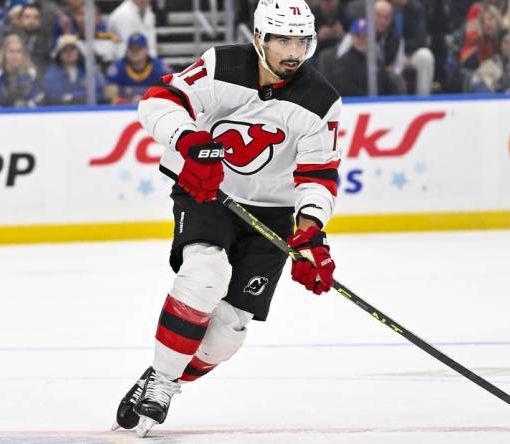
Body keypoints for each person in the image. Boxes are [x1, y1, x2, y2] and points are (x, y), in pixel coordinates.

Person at [111, 0, 341, 437]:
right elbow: (158, 102)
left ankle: (164, 377)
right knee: (205, 275)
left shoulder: (322, 100)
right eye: (283, 40)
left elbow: (318, 173)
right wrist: (190, 142)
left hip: (271, 213)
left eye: (301, 40)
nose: (294, 51)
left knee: (229, 332)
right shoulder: (220, 65)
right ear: (260, 38)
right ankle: (160, 383)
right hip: (208, 191)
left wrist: (311, 232)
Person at [105, 32, 170, 103]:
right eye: (132, 48)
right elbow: (109, 93)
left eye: (139, 48)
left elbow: (171, 91)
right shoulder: (118, 67)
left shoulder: (159, 67)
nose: (135, 52)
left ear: (146, 49)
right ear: (127, 50)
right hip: (124, 110)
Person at [42, 34, 105, 105]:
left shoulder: (90, 71)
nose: (69, 53)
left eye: (72, 49)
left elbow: (99, 92)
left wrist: (74, 97)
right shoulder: (52, 74)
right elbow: (53, 95)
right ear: (59, 54)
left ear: (78, 52)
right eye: (65, 49)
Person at [0, 33, 43, 107]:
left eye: (19, 51)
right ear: (4, 54)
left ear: (24, 54)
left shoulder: (33, 75)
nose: (15, 56)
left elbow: (38, 100)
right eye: (11, 51)